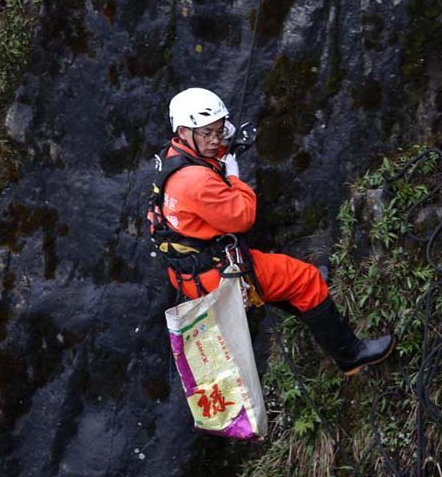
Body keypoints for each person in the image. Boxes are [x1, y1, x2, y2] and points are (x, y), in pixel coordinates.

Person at [147, 88, 394, 376]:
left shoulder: (173, 155)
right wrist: (234, 175)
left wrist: (230, 148)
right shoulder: (195, 181)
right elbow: (242, 216)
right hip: (219, 274)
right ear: (184, 130)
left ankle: (305, 305)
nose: (215, 139)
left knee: (279, 278)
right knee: (307, 279)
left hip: (193, 270)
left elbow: (206, 166)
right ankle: (352, 356)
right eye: (207, 133)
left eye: (219, 130)